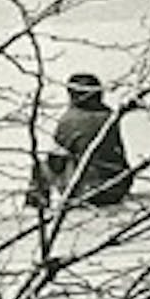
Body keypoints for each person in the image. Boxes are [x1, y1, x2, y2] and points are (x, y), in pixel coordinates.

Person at [46, 73, 132, 207]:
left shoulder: (70, 119)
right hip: (118, 186)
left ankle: (36, 208)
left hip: (86, 191)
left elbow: (56, 162)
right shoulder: (109, 115)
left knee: (42, 164)